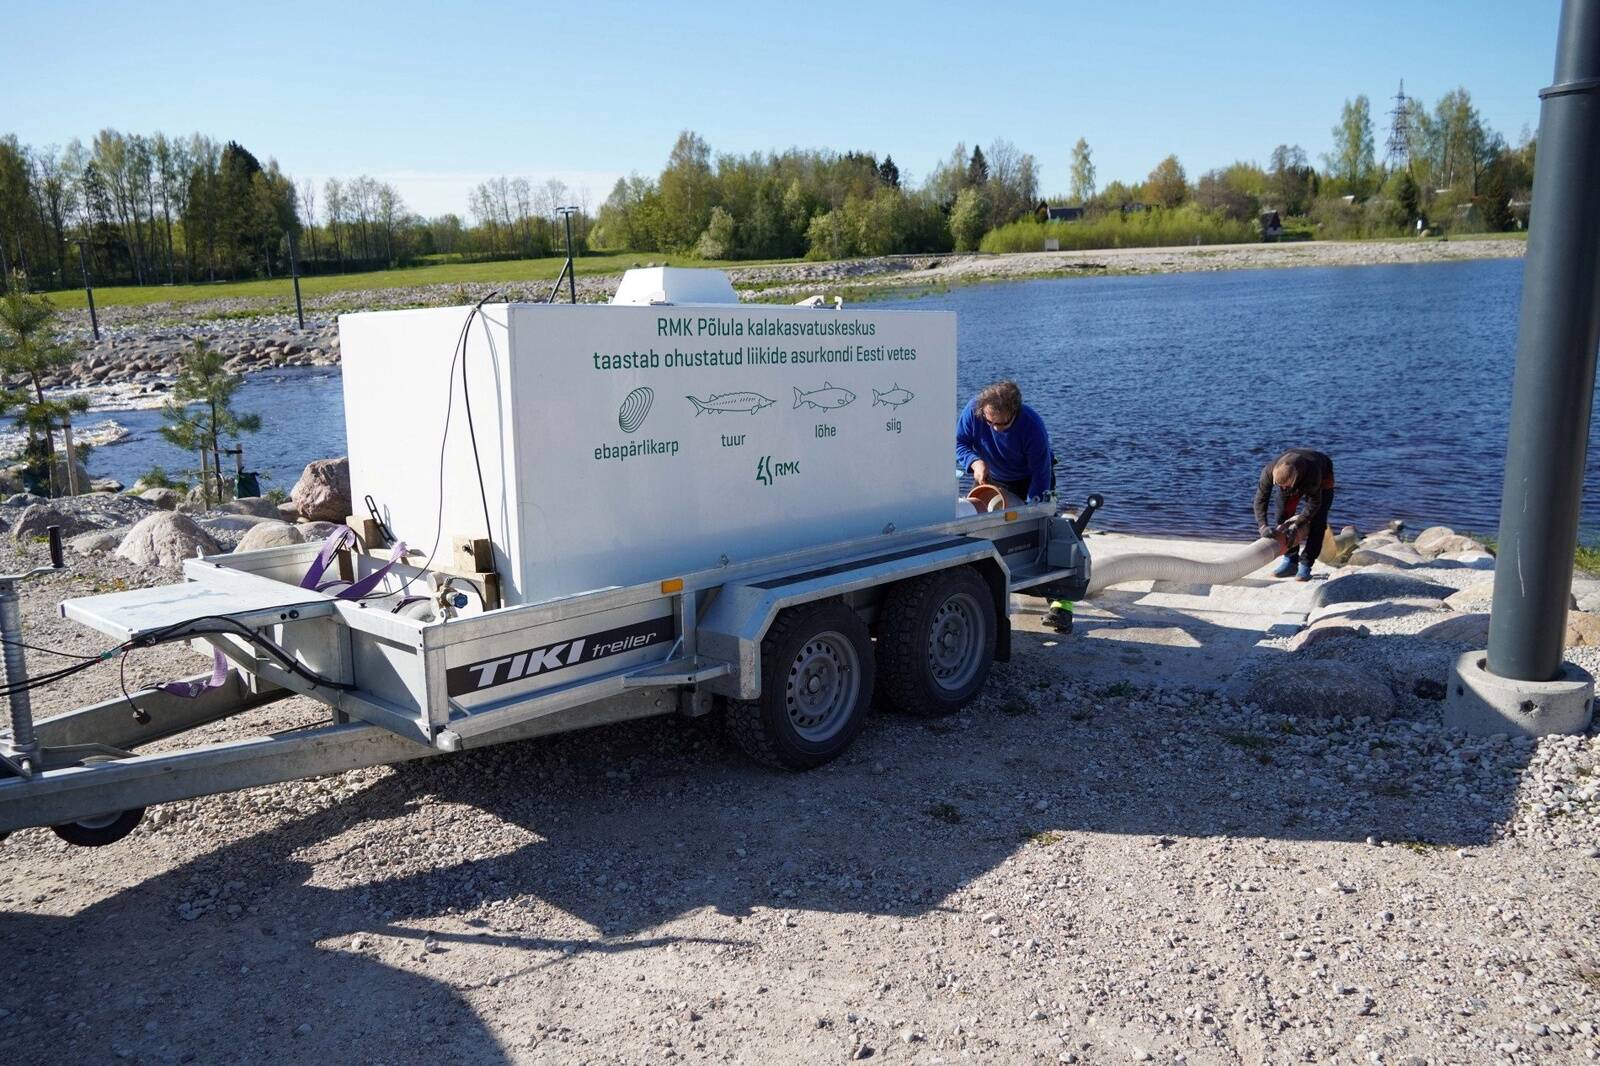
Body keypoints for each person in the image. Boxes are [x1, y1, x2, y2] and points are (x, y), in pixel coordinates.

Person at [955, 380, 1072, 630]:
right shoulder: (973, 412)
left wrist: (1031, 511)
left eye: (1002, 424)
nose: (995, 429)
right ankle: (990, 588)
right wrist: (974, 462)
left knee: (1044, 532)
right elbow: (959, 444)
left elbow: (1040, 474)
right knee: (983, 529)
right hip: (992, 476)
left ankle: (1061, 605)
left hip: (1030, 478)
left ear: (1015, 412)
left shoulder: (1032, 426)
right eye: (990, 423)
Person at [1254, 448, 1335, 581]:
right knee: (1281, 517)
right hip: (1292, 477)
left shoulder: (1312, 474)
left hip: (1322, 471)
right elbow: (1260, 499)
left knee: (1318, 521)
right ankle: (1290, 561)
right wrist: (1262, 525)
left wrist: (1297, 525)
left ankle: (1306, 564)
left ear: (1294, 479)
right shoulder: (1269, 471)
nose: (1283, 489)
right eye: (1280, 486)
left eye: (1286, 486)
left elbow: (1314, 504)